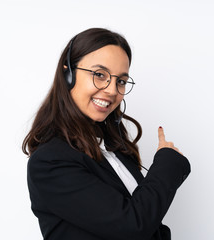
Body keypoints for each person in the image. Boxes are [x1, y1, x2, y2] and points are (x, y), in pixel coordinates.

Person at [22, 28, 191, 240]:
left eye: (120, 81)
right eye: (100, 75)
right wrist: (168, 164)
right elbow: (132, 225)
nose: (112, 90)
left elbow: (151, 226)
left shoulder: (113, 149)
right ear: (68, 74)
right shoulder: (50, 161)